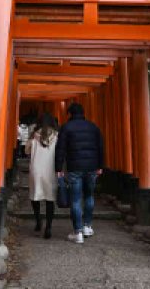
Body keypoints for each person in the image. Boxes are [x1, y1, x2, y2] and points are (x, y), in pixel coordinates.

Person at [55, 103, 103, 244]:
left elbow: (61, 149)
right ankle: (87, 226)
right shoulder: (93, 127)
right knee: (89, 196)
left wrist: (58, 168)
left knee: (75, 199)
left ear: (70, 114)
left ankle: (78, 233)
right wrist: (100, 166)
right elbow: (100, 147)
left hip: (74, 167)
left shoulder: (66, 127)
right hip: (92, 167)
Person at [25, 113, 58, 239]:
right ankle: (48, 226)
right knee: (50, 199)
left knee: (35, 196)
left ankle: (38, 220)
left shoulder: (34, 135)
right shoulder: (56, 136)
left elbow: (26, 151)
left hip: (36, 170)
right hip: (51, 170)